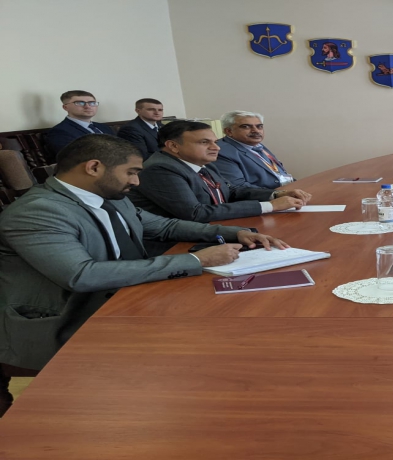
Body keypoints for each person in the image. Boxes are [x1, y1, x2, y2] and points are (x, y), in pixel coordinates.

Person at [0, 134, 289, 373]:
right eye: (132, 172)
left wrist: (234, 232)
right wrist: (197, 260)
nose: (137, 182)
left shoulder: (109, 195)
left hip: (126, 299)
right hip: (69, 320)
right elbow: (82, 275)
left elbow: (164, 226)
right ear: (94, 167)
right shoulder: (38, 212)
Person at [128, 121, 310, 252]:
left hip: (217, 229)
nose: (216, 147)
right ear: (173, 146)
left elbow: (231, 191)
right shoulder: (160, 169)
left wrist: (275, 195)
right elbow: (195, 213)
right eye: (204, 142)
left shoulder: (201, 162)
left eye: (214, 141)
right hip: (176, 245)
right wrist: (270, 206)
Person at [212, 111, 294, 189]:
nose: (256, 131)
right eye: (246, 126)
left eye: (259, 126)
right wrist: (277, 194)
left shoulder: (255, 144)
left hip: (285, 190)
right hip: (266, 196)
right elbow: (238, 187)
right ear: (229, 131)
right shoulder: (221, 151)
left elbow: (278, 174)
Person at [44, 90, 116, 155]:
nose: (88, 106)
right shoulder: (59, 132)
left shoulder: (103, 127)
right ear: (65, 107)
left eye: (92, 103)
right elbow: (73, 158)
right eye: (80, 103)